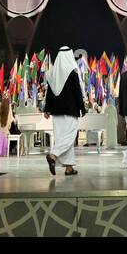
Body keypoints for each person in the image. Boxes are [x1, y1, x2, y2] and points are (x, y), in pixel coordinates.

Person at [43, 46, 86, 176]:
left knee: (62, 137)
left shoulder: (53, 72)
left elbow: (49, 93)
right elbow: (77, 92)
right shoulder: (72, 72)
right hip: (70, 110)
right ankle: (53, 155)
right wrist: (82, 108)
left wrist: (47, 109)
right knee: (70, 136)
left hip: (56, 112)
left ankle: (69, 168)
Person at [0, 93, 12, 158]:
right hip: (5, 129)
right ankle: (3, 152)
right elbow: (10, 119)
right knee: (4, 134)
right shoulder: (9, 107)